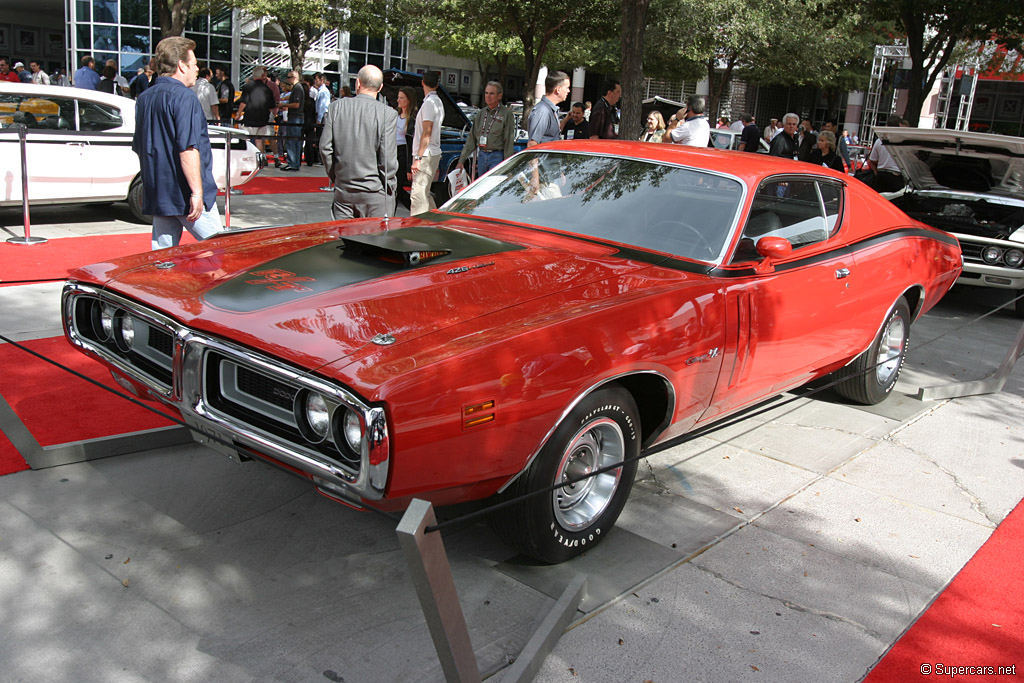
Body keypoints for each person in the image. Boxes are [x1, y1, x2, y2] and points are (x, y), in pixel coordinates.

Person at [132, 36, 224, 250]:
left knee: (163, 257)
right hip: (185, 191)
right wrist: (197, 192)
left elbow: (140, 146)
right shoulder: (184, 97)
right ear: (181, 66)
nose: (197, 69)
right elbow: (188, 148)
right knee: (221, 251)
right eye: (193, 64)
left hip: (159, 189)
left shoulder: (145, 98)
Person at [319, 64, 397, 219]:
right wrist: (389, 187)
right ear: (380, 87)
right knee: (374, 240)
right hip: (374, 192)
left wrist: (336, 176)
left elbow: (325, 148)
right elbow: (387, 159)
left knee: (344, 239)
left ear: (358, 83)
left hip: (344, 190)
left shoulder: (336, 107)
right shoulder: (387, 114)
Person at [457, 81, 515, 178]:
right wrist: (461, 161)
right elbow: (472, 138)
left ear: (499, 96)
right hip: (482, 155)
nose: (488, 96)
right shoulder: (481, 113)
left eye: (492, 93)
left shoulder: (506, 114)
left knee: (493, 186)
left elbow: (508, 141)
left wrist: (507, 165)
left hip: (497, 156)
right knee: (482, 186)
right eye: (486, 93)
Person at [410, 70, 445, 214]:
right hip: (431, 152)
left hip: (426, 153)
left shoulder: (430, 103)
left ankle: (417, 228)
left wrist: (417, 158)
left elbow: (426, 132)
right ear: (437, 85)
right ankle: (434, 222)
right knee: (424, 192)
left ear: (422, 83)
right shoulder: (437, 102)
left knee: (417, 194)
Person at [235, 66, 276, 163]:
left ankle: (245, 159)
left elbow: (243, 102)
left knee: (246, 139)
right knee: (259, 140)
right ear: (262, 76)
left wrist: (238, 113)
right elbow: (271, 106)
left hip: (250, 117)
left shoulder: (247, 87)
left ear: (253, 75)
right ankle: (260, 159)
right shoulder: (268, 90)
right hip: (263, 119)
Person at [527, 70, 569, 147]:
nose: (568, 91)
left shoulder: (550, 110)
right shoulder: (543, 111)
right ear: (558, 89)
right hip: (543, 159)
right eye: (567, 87)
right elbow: (532, 144)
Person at [866, 113, 907, 192]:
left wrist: (876, 173)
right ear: (899, 125)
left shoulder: (880, 141)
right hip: (896, 176)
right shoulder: (902, 142)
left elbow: (871, 160)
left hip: (881, 175)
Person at [394, 85, 417, 208]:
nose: (398, 100)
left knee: (397, 188)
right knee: (393, 187)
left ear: (409, 100)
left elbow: (412, 143)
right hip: (393, 151)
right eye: (398, 97)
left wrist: (409, 167)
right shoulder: (395, 114)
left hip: (404, 152)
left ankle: (412, 207)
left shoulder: (413, 119)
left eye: (401, 98)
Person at [279, 70, 305, 170]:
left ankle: (293, 163)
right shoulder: (297, 88)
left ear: (294, 78)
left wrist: (284, 104)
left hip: (295, 117)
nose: (288, 79)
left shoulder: (298, 88)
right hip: (296, 117)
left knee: (292, 141)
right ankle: (295, 163)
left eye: (289, 77)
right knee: (295, 141)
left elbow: (296, 104)